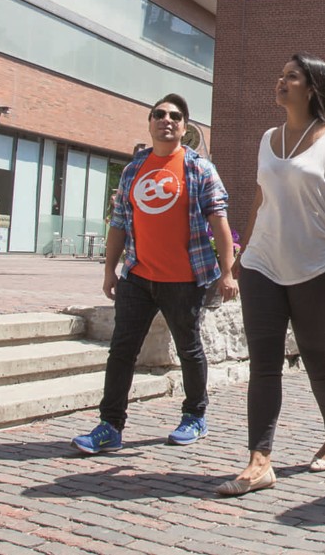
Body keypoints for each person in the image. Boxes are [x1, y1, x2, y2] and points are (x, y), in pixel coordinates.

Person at [219, 53, 325, 497]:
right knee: (263, 364)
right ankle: (259, 460)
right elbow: (259, 199)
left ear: (312, 87)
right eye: (280, 75)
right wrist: (241, 252)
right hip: (263, 264)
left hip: (316, 266)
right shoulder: (268, 138)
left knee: (317, 356)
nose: (280, 82)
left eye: (291, 77)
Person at [72, 94, 238, 456]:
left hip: (185, 280)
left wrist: (228, 273)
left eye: (175, 116)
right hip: (138, 276)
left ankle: (194, 416)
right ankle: (110, 426)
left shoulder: (199, 169)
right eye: (159, 114)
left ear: (184, 127)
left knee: (189, 349)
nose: (167, 120)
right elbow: (119, 223)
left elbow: (219, 222)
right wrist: (109, 270)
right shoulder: (133, 170)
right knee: (122, 351)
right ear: (149, 122)